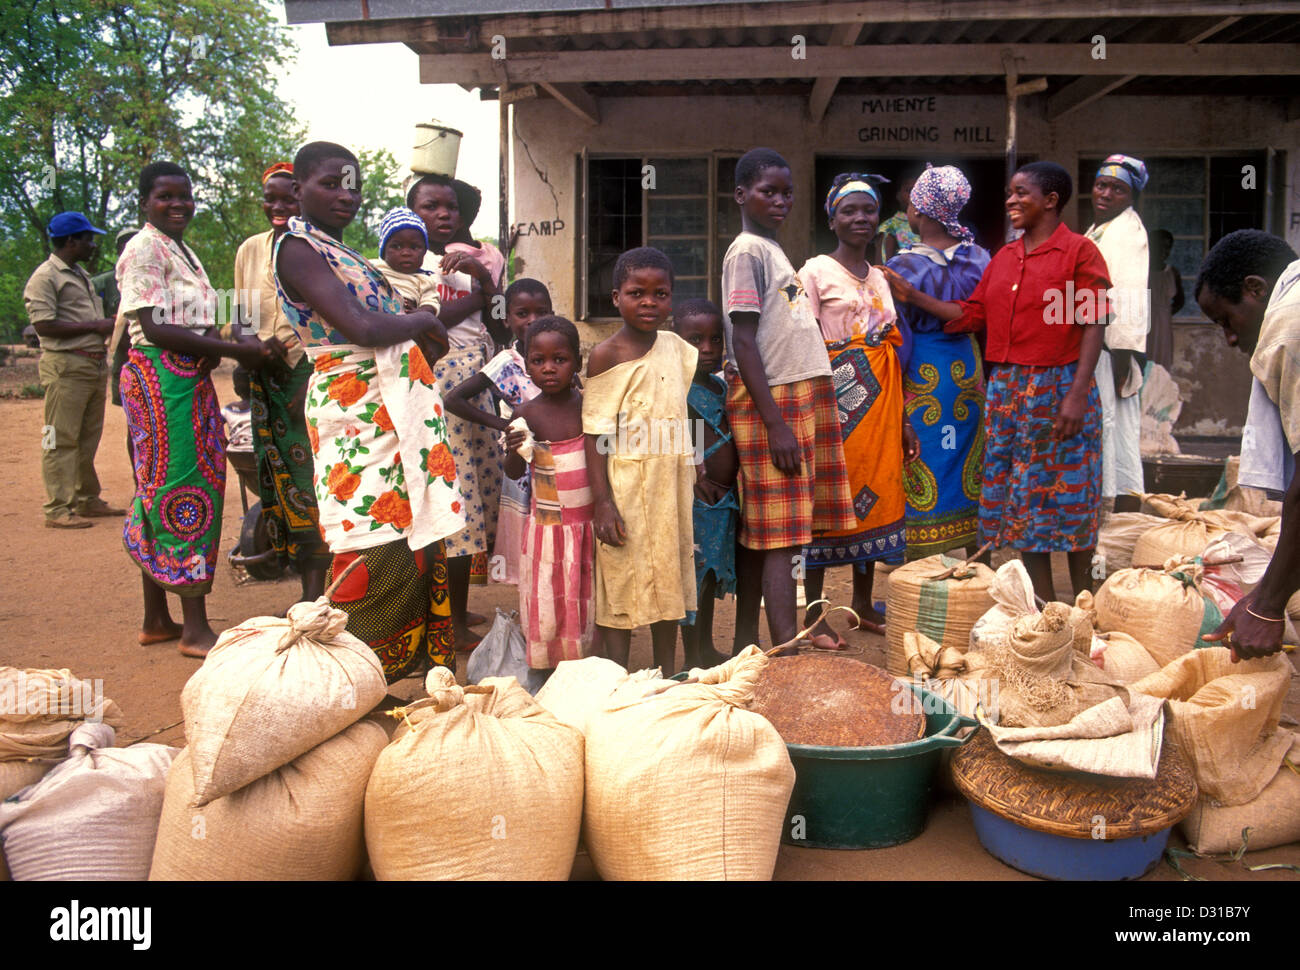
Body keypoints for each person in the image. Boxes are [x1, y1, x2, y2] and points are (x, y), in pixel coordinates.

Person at [273, 141, 466, 682]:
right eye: (330, 183)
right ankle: (359, 676)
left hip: (391, 404)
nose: (344, 195)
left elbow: (382, 322)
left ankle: (408, 671)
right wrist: (423, 323)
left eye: (352, 185)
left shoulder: (346, 253)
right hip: (353, 408)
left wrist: (418, 329)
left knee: (408, 528)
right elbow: (361, 328)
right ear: (299, 187)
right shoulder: (296, 249)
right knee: (369, 530)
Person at [882, 161, 1109, 604]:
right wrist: (914, 298)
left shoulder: (1079, 253)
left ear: (1051, 200)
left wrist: (1077, 393)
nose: (1011, 200)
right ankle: (1041, 610)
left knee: (1071, 496)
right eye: (1009, 192)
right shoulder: (1005, 258)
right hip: (1006, 390)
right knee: (1024, 504)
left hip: (1058, 385)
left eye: (1021, 192)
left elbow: (1093, 321)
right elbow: (972, 314)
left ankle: (1084, 604)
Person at [117, 162, 276, 656]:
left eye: (185, 195)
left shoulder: (176, 249)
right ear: (145, 201)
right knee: (184, 490)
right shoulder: (145, 248)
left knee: (158, 488)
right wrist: (238, 351)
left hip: (183, 376)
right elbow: (154, 325)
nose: (179, 204)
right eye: (165, 196)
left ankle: (156, 618)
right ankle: (194, 629)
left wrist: (211, 344)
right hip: (164, 379)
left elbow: (184, 320)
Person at [722, 148, 856, 652]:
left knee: (780, 528)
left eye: (786, 192)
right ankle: (785, 646)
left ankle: (761, 641)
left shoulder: (773, 250)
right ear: (741, 195)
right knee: (780, 534)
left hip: (799, 395)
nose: (780, 201)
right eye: (767, 192)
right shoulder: (746, 252)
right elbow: (742, 340)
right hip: (774, 400)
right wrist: (775, 423)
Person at [798, 173, 918, 645]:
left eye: (868, 210)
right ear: (832, 217)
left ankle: (864, 604)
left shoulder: (881, 278)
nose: (860, 219)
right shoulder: (813, 272)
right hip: (833, 400)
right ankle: (813, 617)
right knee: (827, 505)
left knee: (876, 494)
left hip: (883, 403)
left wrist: (905, 418)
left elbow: (892, 348)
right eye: (849, 210)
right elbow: (801, 338)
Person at [583, 246, 697, 672]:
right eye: (637, 293)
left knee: (668, 579)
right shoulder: (606, 355)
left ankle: (667, 673)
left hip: (670, 486)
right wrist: (603, 502)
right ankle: (619, 678)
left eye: (660, 293)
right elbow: (595, 434)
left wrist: (694, 462)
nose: (649, 302)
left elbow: (678, 410)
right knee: (623, 582)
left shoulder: (677, 348)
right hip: (627, 489)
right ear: (616, 297)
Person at [407, 173, 505, 644]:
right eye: (430, 206)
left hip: (476, 378)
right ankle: (445, 620)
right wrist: (476, 294)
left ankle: (459, 612)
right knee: (450, 497)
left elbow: (501, 320)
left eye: (450, 206)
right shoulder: (405, 257)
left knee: (476, 498)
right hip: (434, 381)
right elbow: (425, 319)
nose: (443, 214)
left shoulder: (482, 259)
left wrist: (484, 277)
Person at [1194, 230, 1300, 660]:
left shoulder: (1288, 331)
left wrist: (1269, 606)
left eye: (1226, 321)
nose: (1231, 339)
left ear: (1255, 289)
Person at [234, 161, 330, 603]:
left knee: (316, 483)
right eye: (270, 198)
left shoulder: (318, 247)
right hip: (265, 379)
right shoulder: (251, 250)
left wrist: (307, 379)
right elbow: (241, 318)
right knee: (279, 482)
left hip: (307, 376)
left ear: (303, 199)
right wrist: (251, 346)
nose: (277, 206)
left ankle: (315, 596)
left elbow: (333, 324)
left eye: (287, 198)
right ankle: (306, 586)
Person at [885, 164, 991, 561]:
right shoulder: (981, 259)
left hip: (922, 370)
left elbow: (899, 336)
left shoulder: (901, 269)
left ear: (919, 211)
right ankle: (977, 555)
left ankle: (922, 556)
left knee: (922, 453)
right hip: (967, 368)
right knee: (967, 454)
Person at [445, 278, 553, 585]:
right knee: (530, 542)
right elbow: (453, 399)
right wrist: (503, 425)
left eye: (541, 312)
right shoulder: (507, 361)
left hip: (559, 464)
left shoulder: (558, 349)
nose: (532, 320)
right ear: (507, 319)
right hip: (524, 468)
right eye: (523, 313)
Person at [503, 316, 595, 668]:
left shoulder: (589, 407)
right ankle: (548, 667)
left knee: (585, 598)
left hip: (587, 526)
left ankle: (587, 665)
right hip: (548, 531)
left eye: (560, 360)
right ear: (526, 364)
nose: (549, 369)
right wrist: (512, 448)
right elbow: (513, 472)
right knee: (550, 599)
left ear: (577, 361)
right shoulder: (526, 414)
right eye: (537, 361)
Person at [23, 211, 124, 529]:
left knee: (87, 437)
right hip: (65, 367)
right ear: (71, 241)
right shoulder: (45, 277)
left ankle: (85, 498)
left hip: (91, 366)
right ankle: (57, 507)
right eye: (87, 239)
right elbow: (43, 325)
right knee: (57, 437)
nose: (92, 245)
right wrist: (96, 325)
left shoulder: (78, 274)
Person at [673, 298, 738, 669]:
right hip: (695, 501)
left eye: (716, 340)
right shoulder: (675, 389)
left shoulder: (720, 387)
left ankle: (709, 645)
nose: (708, 349)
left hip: (724, 502)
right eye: (696, 340)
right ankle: (692, 654)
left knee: (713, 573)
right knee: (692, 581)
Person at [1085, 154, 1150, 515]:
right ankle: (1117, 516)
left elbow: (1128, 294)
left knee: (1116, 429)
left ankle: (1119, 517)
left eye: (1118, 189)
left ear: (1131, 197)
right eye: (1101, 185)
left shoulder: (1128, 231)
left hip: (1112, 350)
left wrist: (1124, 355)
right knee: (1115, 432)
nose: (1106, 193)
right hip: (1098, 346)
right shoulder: (1101, 229)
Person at [371, 206, 441, 313]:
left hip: (406, 322)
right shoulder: (372, 268)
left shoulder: (424, 280)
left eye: (414, 247)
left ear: (424, 252)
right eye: (397, 246)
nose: (406, 253)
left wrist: (418, 312)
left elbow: (431, 304)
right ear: (384, 251)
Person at [1147, 228, 1184, 371]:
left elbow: (1180, 301)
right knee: (1145, 360)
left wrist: (1165, 313)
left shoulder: (1172, 273)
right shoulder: (1142, 271)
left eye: (1167, 247)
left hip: (1163, 325)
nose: (1163, 251)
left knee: (1162, 363)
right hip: (1144, 323)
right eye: (1159, 246)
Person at [879, 169, 923, 262]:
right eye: (909, 190)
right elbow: (882, 267)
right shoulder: (890, 226)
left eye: (919, 190)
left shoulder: (931, 222)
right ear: (898, 195)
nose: (914, 195)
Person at [221, 366, 254, 455]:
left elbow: (214, 426)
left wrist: (227, 444)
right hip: (257, 453)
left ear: (236, 391)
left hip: (234, 453)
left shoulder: (228, 409)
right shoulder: (261, 408)